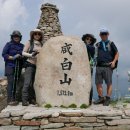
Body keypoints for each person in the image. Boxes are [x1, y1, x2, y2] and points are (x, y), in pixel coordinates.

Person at [94, 28, 119, 106]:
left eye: (105, 34)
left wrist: (114, 62)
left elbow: (117, 53)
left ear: (108, 34)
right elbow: (95, 55)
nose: (103, 35)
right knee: (98, 83)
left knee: (109, 83)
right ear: (100, 35)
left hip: (108, 66)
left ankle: (107, 98)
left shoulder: (111, 43)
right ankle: (101, 98)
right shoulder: (97, 44)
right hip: (98, 66)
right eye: (102, 34)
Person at [22, 29, 43, 106]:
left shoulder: (41, 44)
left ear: (40, 36)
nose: (37, 35)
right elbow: (23, 52)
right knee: (27, 83)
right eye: (35, 34)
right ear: (33, 35)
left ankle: (32, 99)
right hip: (29, 64)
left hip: (38, 66)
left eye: (39, 34)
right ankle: (24, 100)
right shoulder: (29, 42)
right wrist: (31, 55)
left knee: (34, 83)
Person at [2, 30, 24, 105]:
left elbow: (24, 54)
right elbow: (4, 54)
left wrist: (21, 57)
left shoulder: (22, 46)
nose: (16, 37)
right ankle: (10, 100)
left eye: (17, 36)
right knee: (11, 82)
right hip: (10, 66)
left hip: (18, 67)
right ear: (12, 37)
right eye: (15, 36)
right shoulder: (8, 44)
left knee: (16, 82)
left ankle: (15, 98)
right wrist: (13, 57)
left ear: (20, 37)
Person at [82, 33, 96, 105]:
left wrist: (82, 45)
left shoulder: (91, 47)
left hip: (89, 67)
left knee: (89, 83)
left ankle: (89, 100)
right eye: (87, 39)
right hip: (81, 67)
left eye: (90, 39)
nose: (89, 40)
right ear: (84, 39)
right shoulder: (83, 46)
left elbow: (87, 48)